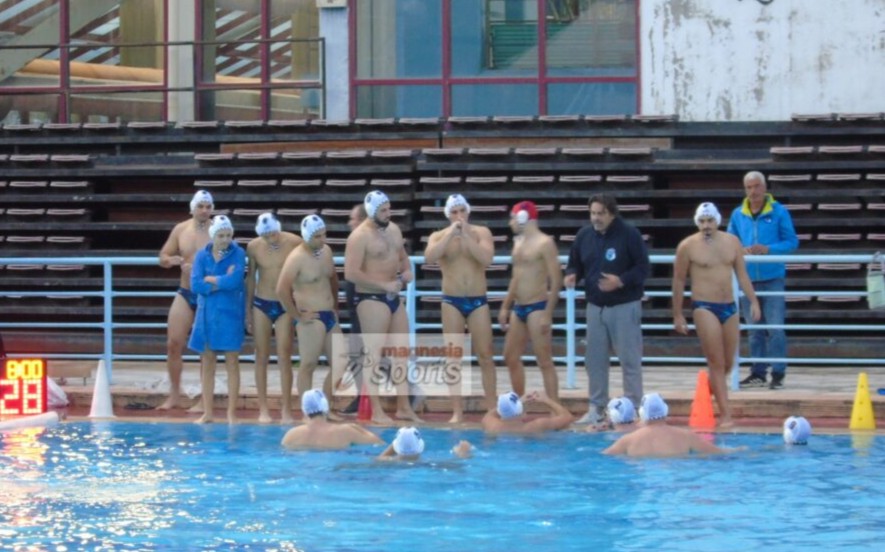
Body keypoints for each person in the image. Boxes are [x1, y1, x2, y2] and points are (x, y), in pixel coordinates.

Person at [672, 202, 761, 428]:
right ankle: (726, 415)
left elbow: (742, 275)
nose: (706, 226)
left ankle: (703, 395)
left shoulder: (732, 242)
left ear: (718, 221)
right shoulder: (687, 246)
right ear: (697, 222)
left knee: (728, 364)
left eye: (710, 221)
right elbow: (679, 281)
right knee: (716, 362)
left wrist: (753, 301)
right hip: (704, 307)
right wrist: (677, 314)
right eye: (702, 221)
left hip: (729, 306)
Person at [564, 194, 649, 425]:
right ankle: (597, 407)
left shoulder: (629, 234)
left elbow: (643, 268)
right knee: (595, 361)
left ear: (612, 213)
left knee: (629, 360)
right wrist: (572, 275)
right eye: (593, 213)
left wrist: (620, 281)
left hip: (624, 305)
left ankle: (633, 408)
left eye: (601, 213)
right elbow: (575, 263)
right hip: (595, 307)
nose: (596, 218)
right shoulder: (584, 236)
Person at [344, 190, 422, 424]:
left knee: (401, 354)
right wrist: (383, 284)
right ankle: (377, 411)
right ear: (372, 212)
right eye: (384, 210)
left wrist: (407, 271)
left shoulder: (394, 230)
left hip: (393, 298)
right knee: (374, 356)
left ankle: (404, 407)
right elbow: (351, 273)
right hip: (371, 298)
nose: (389, 213)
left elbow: (403, 257)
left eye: (389, 209)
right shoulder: (359, 237)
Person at [423, 194, 497, 422]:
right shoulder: (438, 236)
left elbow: (486, 259)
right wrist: (450, 235)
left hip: (477, 300)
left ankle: (492, 409)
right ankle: (457, 412)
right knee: (453, 358)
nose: (459, 216)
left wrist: (465, 235)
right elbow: (429, 257)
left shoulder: (481, 232)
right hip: (451, 301)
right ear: (448, 215)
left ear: (468, 211)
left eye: (462, 210)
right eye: (454, 212)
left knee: (485, 355)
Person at [727, 171, 799, 390]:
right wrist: (741, 250)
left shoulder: (779, 211)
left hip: (773, 278)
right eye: (749, 187)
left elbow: (792, 242)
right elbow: (729, 242)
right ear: (744, 189)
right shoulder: (737, 214)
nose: (753, 191)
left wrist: (769, 249)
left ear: (765, 187)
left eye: (757, 186)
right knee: (754, 329)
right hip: (746, 279)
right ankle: (758, 372)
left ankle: (778, 373)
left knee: (775, 328)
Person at [276, 215, 344, 420]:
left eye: (324, 235)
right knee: (308, 365)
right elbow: (281, 290)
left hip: (329, 315)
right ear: (306, 237)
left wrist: (335, 305)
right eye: (317, 236)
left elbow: (333, 278)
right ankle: (309, 414)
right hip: (311, 318)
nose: (323, 240)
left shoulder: (326, 251)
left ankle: (325, 408)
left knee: (341, 363)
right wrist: (297, 315)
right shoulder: (296, 258)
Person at [498, 201, 562, 400]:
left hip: (537, 307)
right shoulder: (518, 243)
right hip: (519, 308)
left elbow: (556, 279)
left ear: (523, 218)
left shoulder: (545, 243)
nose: (510, 223)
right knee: (510, 357)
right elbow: (515, 278)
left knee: (544, 361)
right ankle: (518, 405)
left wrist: (548, 314)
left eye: (512, 218)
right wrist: (505, 306)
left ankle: (556, 410)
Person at [156, 189, 213, 410]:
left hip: (207, 294)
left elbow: (227, 263)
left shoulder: (218, 230)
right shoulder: (181, 229)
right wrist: (170, 260)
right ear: (192, 208)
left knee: (205, 349)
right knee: (173, 343)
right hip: (185, 292)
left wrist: (201, 271)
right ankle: (175, 395)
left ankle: (204, 400)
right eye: (201, 206)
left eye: (208, 207)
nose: (204, 210)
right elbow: (162, 256)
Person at [188, 215, 246, 424]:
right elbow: (195, 285)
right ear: (213, 236)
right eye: (221, 236)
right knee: (208, 362)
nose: (226, 240)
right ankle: (208, 412)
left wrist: (211, 279)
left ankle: (231, 413)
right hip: (207, 314)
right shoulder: (201, 256)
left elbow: (235, 281)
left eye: (229, 235)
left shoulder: (238, 253)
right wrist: (222, 281)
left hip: (230, 313)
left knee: (232, 361)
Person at [245, 213, 303, 423]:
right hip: (262, 303)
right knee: (261, 356)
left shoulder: (295, 242)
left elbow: (302, 272)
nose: (271, 238)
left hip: (284, 305)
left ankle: (286, 409)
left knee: (284, 356)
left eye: (274, 234)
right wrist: (248, 310)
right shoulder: (253, 247)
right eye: (266, 235)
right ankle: (263, 409)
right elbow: (251, 279)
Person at [603, 393, 736, 457]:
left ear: (641, 413)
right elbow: (718, 452)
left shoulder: (627, 440)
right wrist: (739, 450)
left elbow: (604, 456)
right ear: (665, 410)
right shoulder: (686, 436)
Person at [281, 389, 383, 450]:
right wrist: (358, 429)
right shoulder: (346, 431)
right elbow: (379, 444)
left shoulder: (291, 435)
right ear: (326, 406)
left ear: (304, 410)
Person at [340, 204, 369, 414]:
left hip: (365, 303)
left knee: (362, 352)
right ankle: (361, 397)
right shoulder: (356, 240)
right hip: (356, 304)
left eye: (354, 218)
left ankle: (409, 392)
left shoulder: (367, 241)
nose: (350, 222)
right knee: (357, 353)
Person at [482, 391, 573, 435]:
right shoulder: (534, 427)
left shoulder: (492, 426)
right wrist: (546, 400)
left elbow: (491, 414)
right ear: (523, 414)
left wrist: (517, 401)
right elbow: (567, 417)